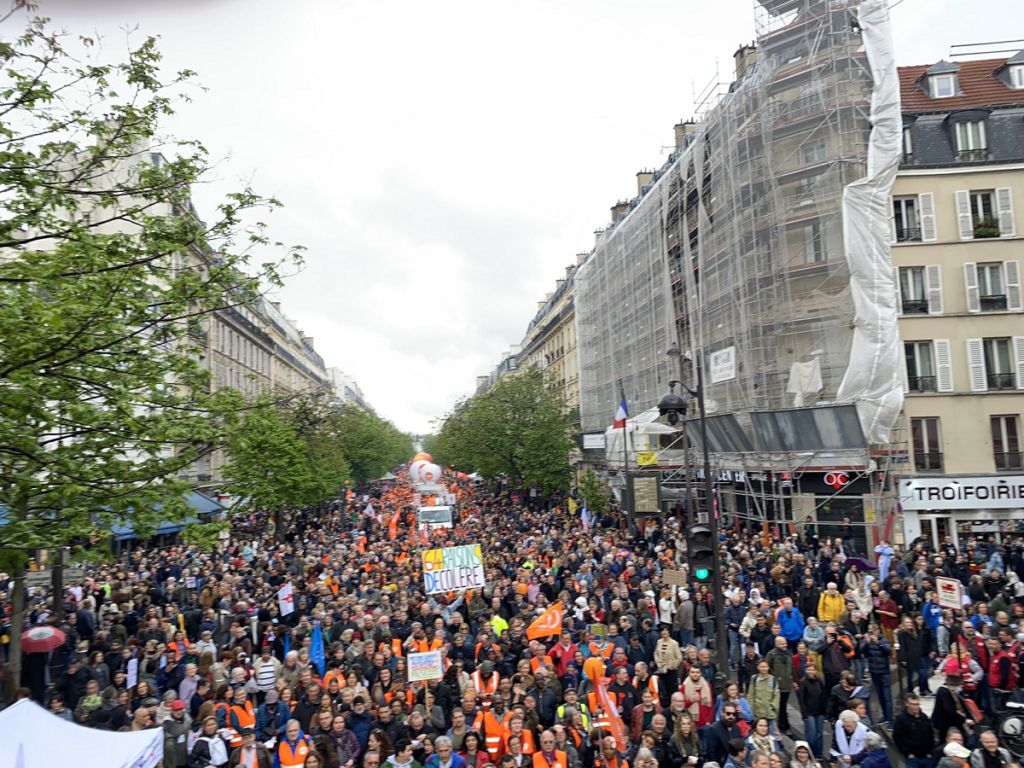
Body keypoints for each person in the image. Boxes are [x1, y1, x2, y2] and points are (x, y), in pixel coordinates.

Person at [892, 694, 935, 768]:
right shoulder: (901, 719)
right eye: (913, 704)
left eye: (917, 704)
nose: (916, 707)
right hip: (912, 758)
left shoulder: (924, 717)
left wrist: (930, 751)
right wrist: (907, 752)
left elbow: (930, 734)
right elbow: (897, 736)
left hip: (926, 756)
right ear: (906, 704)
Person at [933, 674, 976, 741]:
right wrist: (963, 720)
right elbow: (949, 710)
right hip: (945, 724)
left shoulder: (946, 691)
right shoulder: (946, 693)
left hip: (945, 723)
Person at [797, 664, 826, 759]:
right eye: (808, 670)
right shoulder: (803, 682)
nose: (810, 672)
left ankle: (819, 753)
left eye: (812, 670)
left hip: (819, 711)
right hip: (809, 712)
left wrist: (825, 711)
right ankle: (810, 753)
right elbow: (801, 699)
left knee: (819, 734)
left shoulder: (819, 681)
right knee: (811, 735)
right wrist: (804, 713)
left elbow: (823, 696)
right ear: (805, 671)